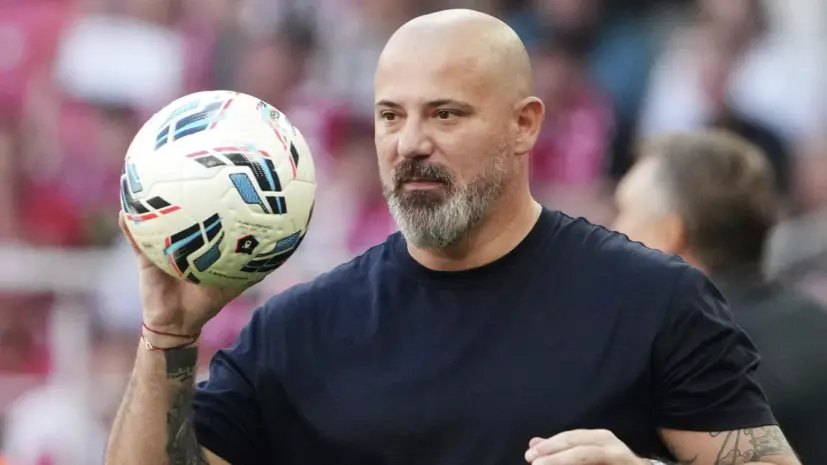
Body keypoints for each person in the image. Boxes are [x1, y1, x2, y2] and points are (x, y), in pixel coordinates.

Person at [105, 9, 800, 465]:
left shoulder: (655, 301)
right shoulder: (298, 329)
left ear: (525, 124)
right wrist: (167, 333)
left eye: (444, 114)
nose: (409, 143)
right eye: (389, 116)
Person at [613, 129, 827, 464]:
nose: (611, 229)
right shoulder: (817, 322)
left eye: (623, 211)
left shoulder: (681, 355)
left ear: (669, 235)